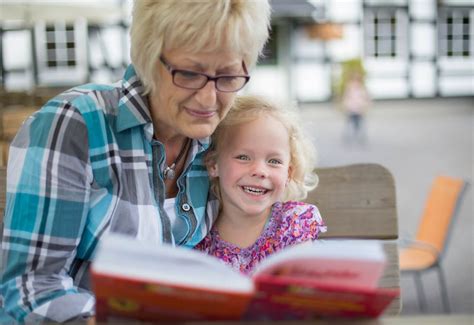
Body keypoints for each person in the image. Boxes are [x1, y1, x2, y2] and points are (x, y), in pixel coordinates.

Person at [0, 1, 270, 322]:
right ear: (146, 56)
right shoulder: (76, 124)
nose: (208, 99)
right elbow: (28, 289)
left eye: (227, 77)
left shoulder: (222, 141)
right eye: (188, 73)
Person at [195, 95, 327, 274]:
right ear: (213, 165)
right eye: (243, 157)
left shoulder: (292, 225)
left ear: (288, 173)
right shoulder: (199, 235)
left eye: (273, 161)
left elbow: (301, 288)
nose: (260, 171)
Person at [341, 71, 371, 145]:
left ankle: (358, 137)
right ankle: (349, 137)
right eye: (354, 79)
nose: (355, 81)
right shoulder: (349, 87)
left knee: (359, 123)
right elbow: (346, 97)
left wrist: (365, 106)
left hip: (359, 109)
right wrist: (345, 106)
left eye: (357, 79)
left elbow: (366, 98)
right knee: (350, 123)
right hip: (351, 108)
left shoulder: (362, 88)